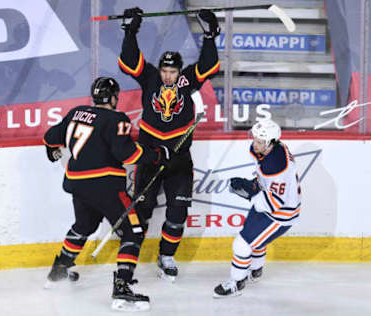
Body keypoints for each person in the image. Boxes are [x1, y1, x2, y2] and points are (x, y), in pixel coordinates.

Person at [43, 77, 173, 312]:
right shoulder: (117, 119)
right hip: (105, 186)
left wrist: (51, 151)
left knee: (83, 226)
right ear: (113, 97)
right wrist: (157, 156)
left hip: (77, 184)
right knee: (133, 232)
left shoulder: (77, 112)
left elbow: (50, 138)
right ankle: (122, 288)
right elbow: (127, 155)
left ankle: (58, 272)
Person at [118, 7, 220, 281]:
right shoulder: (150, 77)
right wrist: (130, 30)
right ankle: (130, 258)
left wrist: (210, 35)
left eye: (172, 71)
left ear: (178, 71)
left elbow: (208, 66)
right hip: (150, 156)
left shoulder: (187, 80)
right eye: (165, 70)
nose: (167, 76)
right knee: (142, 209)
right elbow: (129, 61)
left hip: (177, 158)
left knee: (178, 211)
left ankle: (167, 256)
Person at [213, 119, 302, 297]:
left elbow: (272, 204)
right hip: (272, 202)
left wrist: (250, 192)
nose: (255, 144)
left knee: (242, 244)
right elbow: (266, 185)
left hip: (280, 214)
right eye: (254, 139)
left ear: (270, 143)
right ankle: (255, 269)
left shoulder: (276, 166)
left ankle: (237, 283)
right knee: (253, 237)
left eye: (260, 142)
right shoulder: (272, 149)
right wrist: (253, 185)